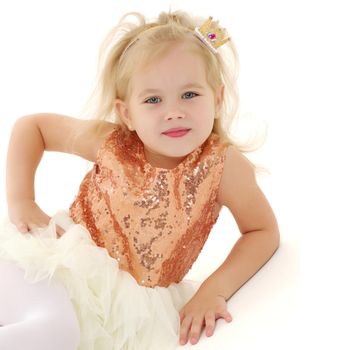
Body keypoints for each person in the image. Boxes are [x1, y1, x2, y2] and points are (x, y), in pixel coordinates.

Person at [0, 10, 280, 350]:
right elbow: (33, 127)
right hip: (53, 261)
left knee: (60, 333)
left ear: (217, 99)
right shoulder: (114, 144)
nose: (174, 111)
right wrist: (22, 201)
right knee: (53, 329)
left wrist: (214, 289)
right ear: (127, 113)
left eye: (190, 94)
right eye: (153, 100)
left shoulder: (223, 166)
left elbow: (262, 231)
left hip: (122, 305)